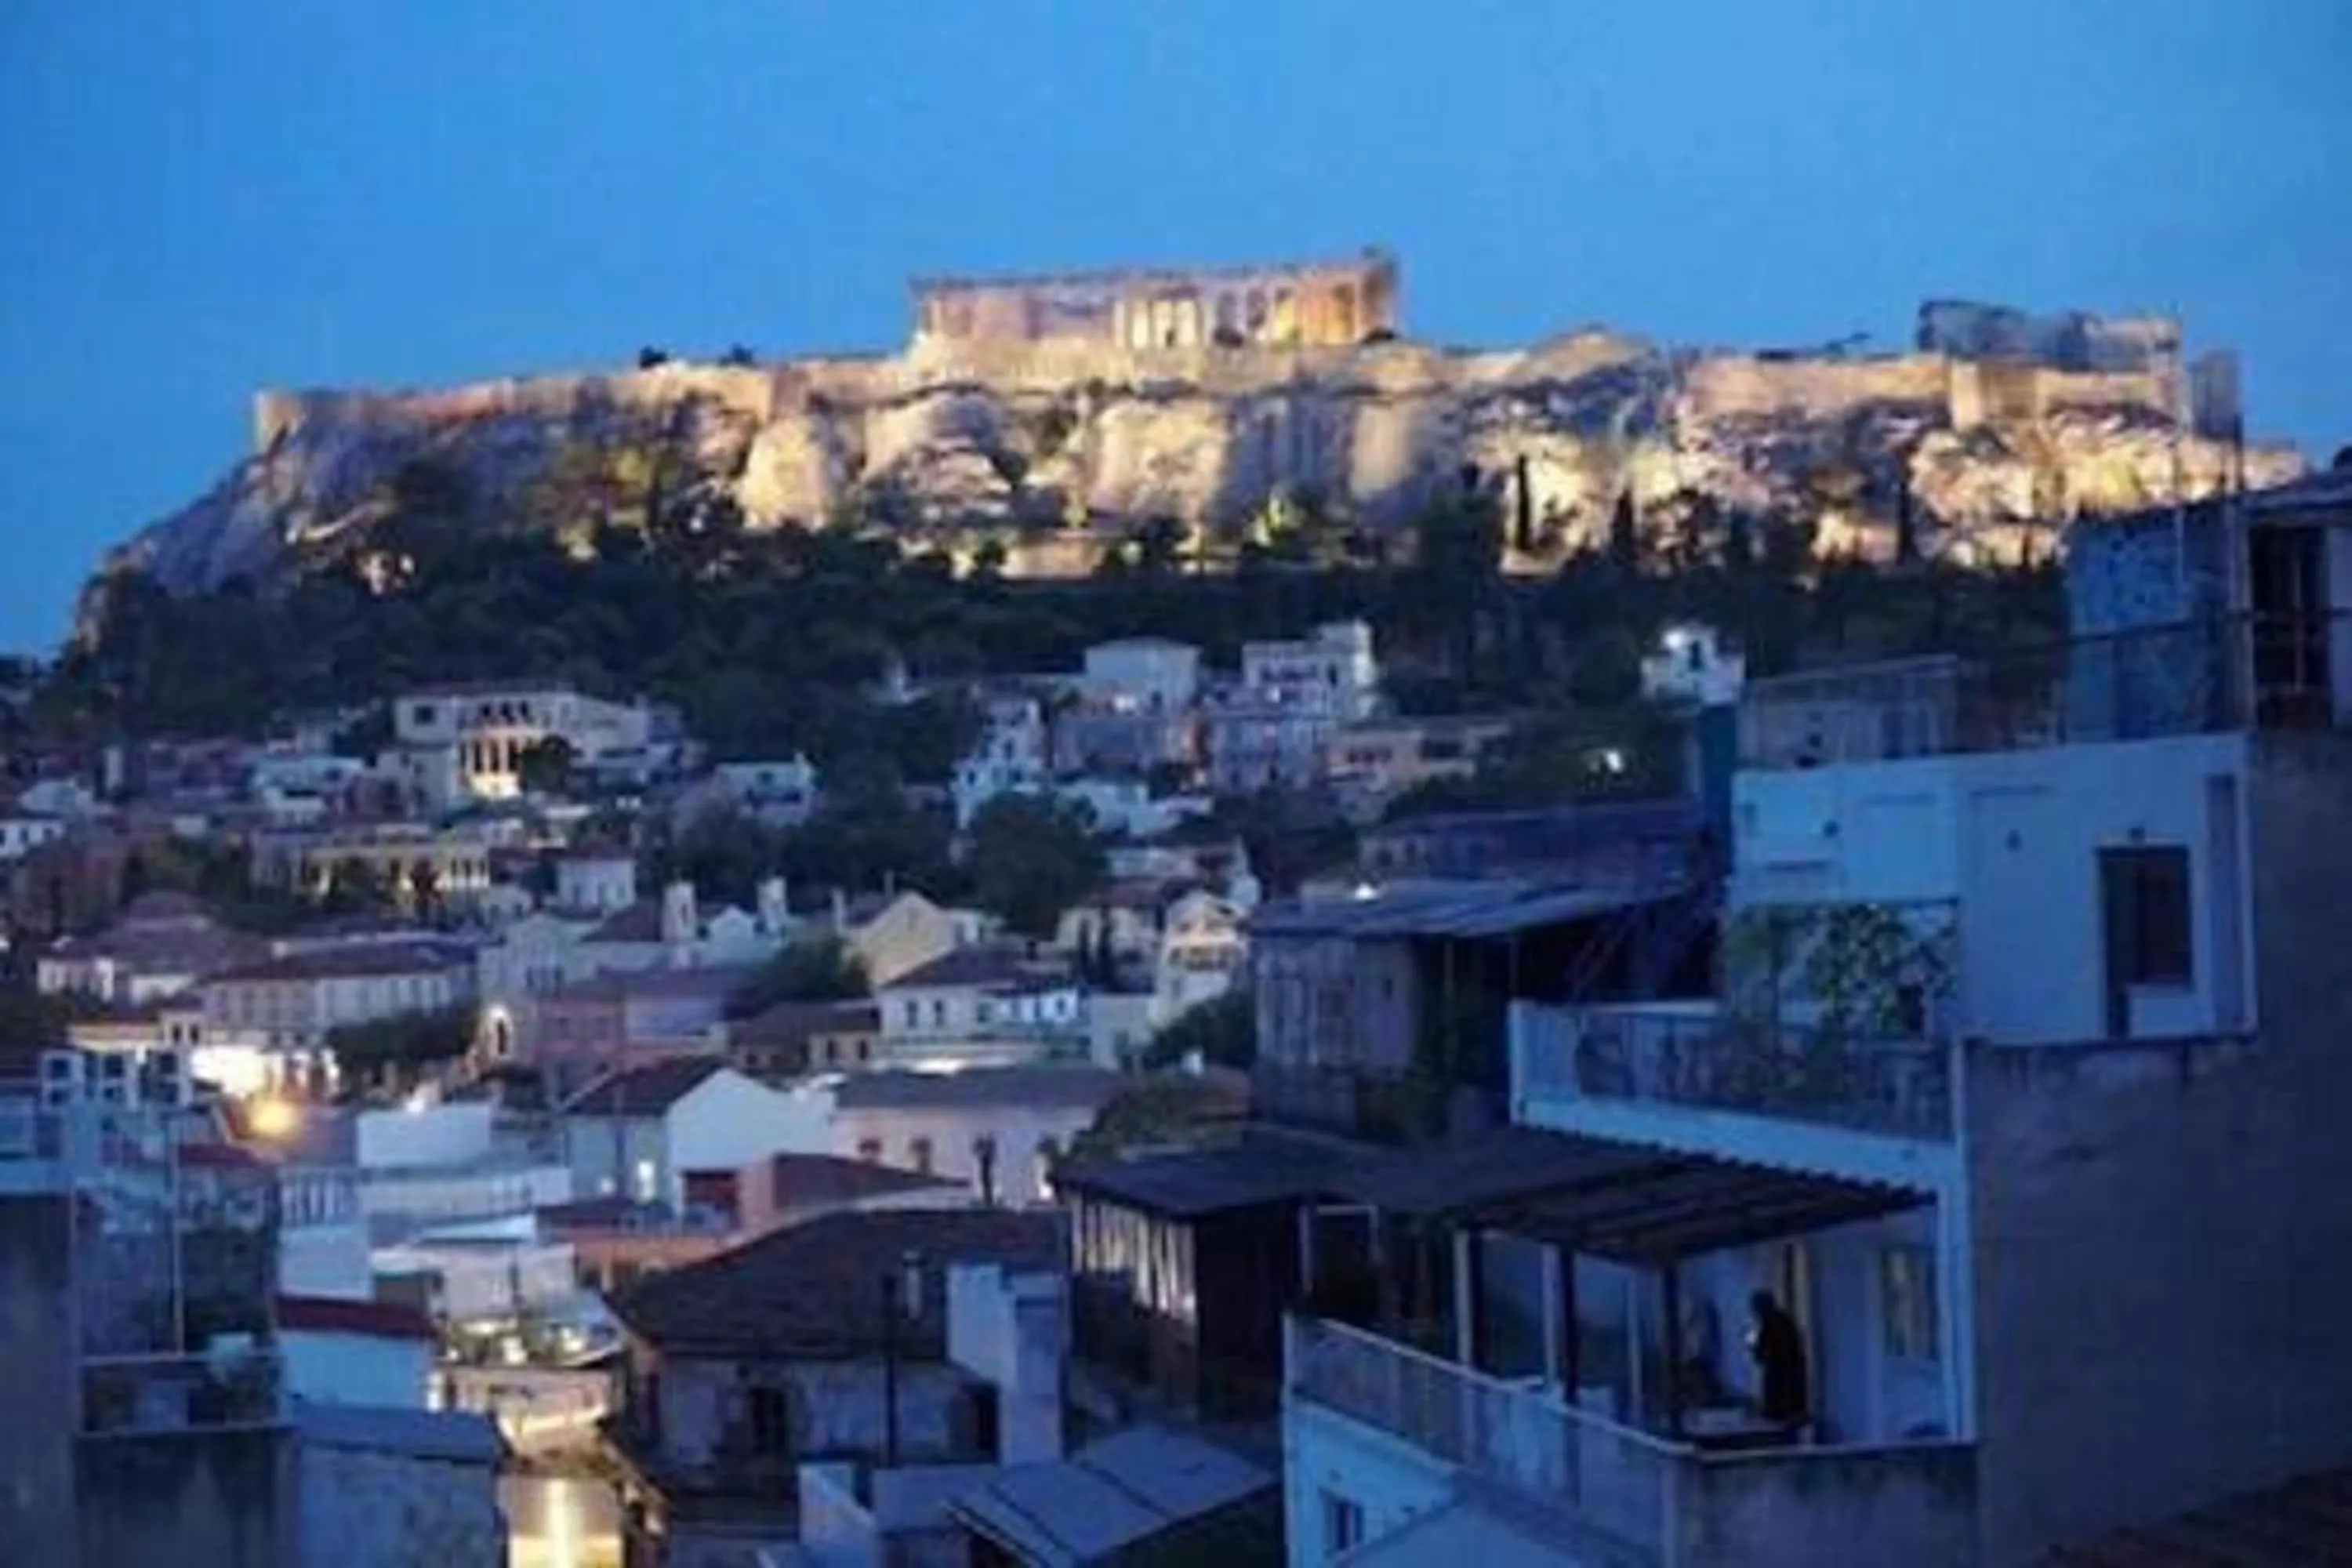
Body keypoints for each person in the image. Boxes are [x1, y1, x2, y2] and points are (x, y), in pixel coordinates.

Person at [1748, 1289, 1809, 1428]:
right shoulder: (1773, 1322)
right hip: (1780, 1377)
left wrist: (1759, 1350)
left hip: (1783, 1379)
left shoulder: (1776, 1323)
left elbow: (1778, 1352)